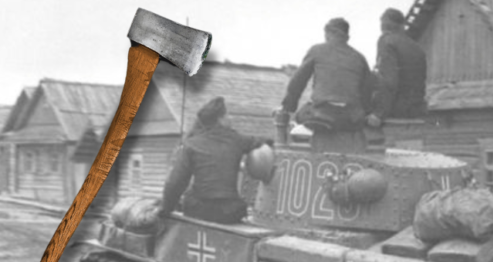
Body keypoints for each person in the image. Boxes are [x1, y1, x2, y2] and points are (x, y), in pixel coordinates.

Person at [159, 97, 269, 224]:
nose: (230, 118)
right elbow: (263, 141)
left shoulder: (191, 144)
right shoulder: (237, 140)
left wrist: (166, 209)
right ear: (220, 119)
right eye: (227, 114)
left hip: (198, 211)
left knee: (187, 198)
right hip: (230, 213)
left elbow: (175, 182)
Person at [279, 18, 373, 152]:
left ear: (328, 33)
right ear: (347, 37)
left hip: (323, 114)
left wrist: (288, 106)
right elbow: (366, 93)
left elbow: (298, 82)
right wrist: (366, 113)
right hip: (351, 118)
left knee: (299, 116)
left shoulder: (317, 50)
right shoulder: (360, 58)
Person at [366, 8, 427, 128]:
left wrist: (379, 113)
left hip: (396, 107)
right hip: (416, 108)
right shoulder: (417, 47)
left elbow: (389, 80)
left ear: (383, 25)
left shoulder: (387, 41)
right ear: (402, 25)